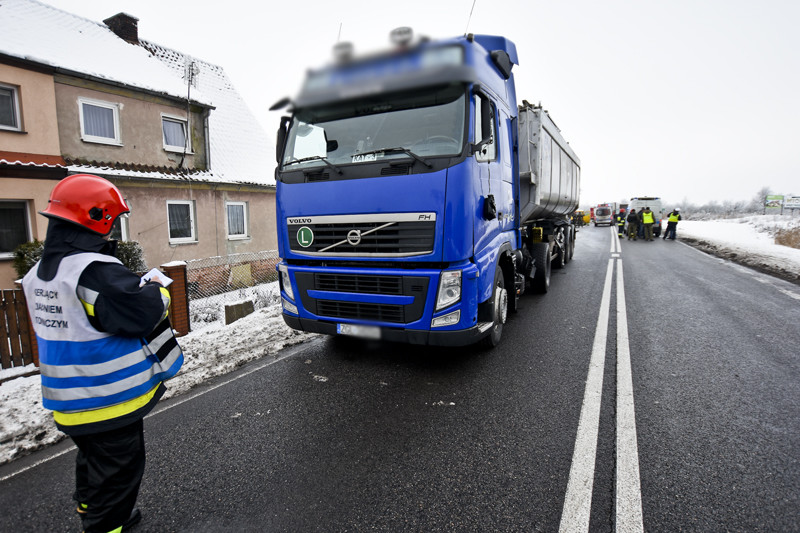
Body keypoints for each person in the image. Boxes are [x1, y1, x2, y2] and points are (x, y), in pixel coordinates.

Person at [21, 174, 183, 533]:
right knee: (120, 473)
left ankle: (88, 508)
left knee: (94, 460)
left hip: (69, 401)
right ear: (97, 219)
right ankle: (106, 523)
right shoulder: (94, 272)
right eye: (111, 222)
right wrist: (157, 290)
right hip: (107, 399)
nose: (112, 232)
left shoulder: (39, 274)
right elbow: (141, 314)